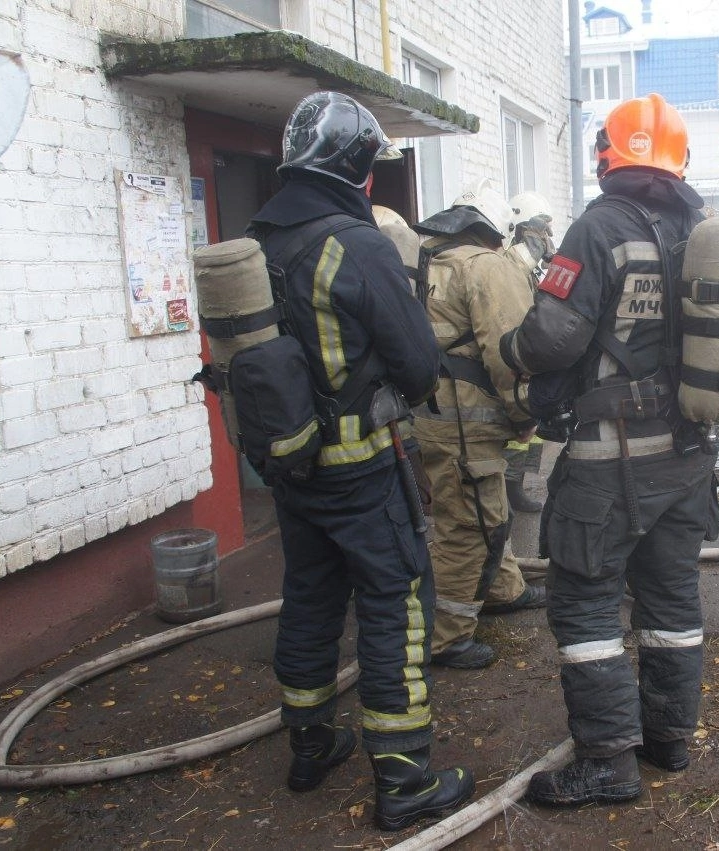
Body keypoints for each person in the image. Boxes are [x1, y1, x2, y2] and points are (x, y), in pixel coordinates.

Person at [247, 91, 472, 831]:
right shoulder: (356, 241)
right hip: (363, 467)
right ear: (353, 167)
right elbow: (417, 365)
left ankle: (311, 748)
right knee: (396, 603)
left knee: (310, 595)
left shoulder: (260, 241)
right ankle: (405, 779)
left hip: (292, 469)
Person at [499, 93, 714, 807]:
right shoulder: (701, 229)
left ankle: (608, 763)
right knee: (672, 602)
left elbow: (551, 338)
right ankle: (670, 739)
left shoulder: (598, 228)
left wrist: (512, 346)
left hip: (608, 458)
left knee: (586, 605)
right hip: (687, 455)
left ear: (607, 154)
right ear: (677, 159)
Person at [411, 184, 548, 670]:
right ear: (493, 230)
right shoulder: (486, 266)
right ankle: (447, 637)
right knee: (469, 527)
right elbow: (510, 351)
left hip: (434, 416)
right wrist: (526, 415)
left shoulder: (425, 261)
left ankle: (503, 589)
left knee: (483, 506)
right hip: (471, 422)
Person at [502, 191, 557, 513]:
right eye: (540, 230)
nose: (545, 237)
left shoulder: (530, 263)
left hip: (531, 350)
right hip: (514, 351)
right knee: (516, 429)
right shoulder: (509, 258)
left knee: (534, 428)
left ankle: (517, 486)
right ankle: (509, 490)